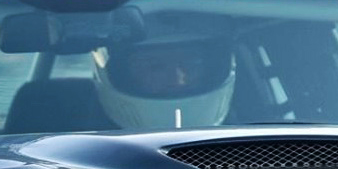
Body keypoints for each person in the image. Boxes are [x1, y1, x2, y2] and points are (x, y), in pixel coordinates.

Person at [92, 35, 236, 130]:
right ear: (121, 73)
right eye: (155, 67)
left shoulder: (244, 142)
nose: (178, 79)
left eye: (192, 64)